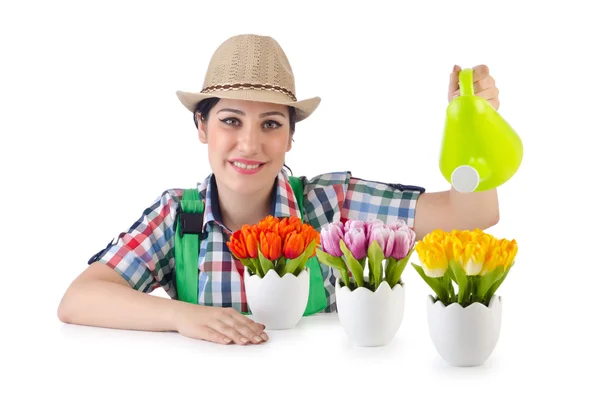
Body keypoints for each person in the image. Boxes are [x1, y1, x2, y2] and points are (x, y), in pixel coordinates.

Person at [57, 34, 501, 346]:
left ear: (291, 136)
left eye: (270, 123)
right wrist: (181, 316)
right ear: (201, 127)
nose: (249, 144)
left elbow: (471, 214)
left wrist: (474, 128)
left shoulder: (332, 204)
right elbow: (78, 299)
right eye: (231, 120)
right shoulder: (179, 217)